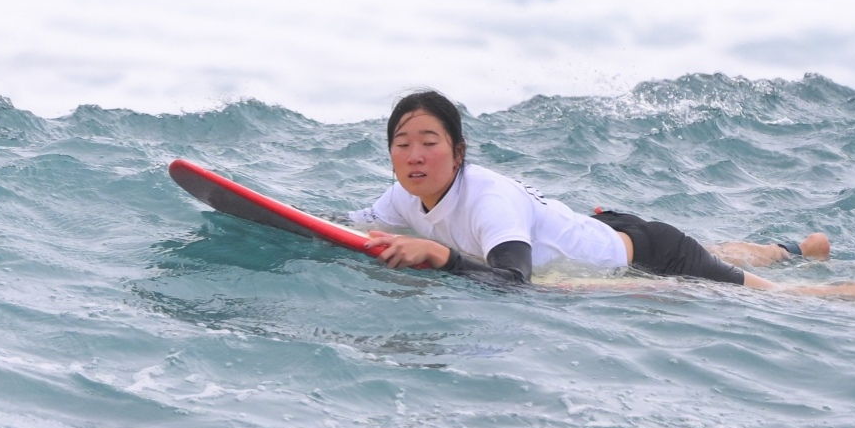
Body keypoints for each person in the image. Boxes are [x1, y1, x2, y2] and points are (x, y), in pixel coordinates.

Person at [350, 90, 829, 287]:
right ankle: (791, 249)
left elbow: (512, 282)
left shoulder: (489, 201)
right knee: (718, 253)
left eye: (429, 143)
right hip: (603, 230)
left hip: (654, 255)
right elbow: (341, 227)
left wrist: (440, 256)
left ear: (458, 152)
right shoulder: (404, 195)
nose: (414, 155)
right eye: (402, 144)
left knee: (779, 297)